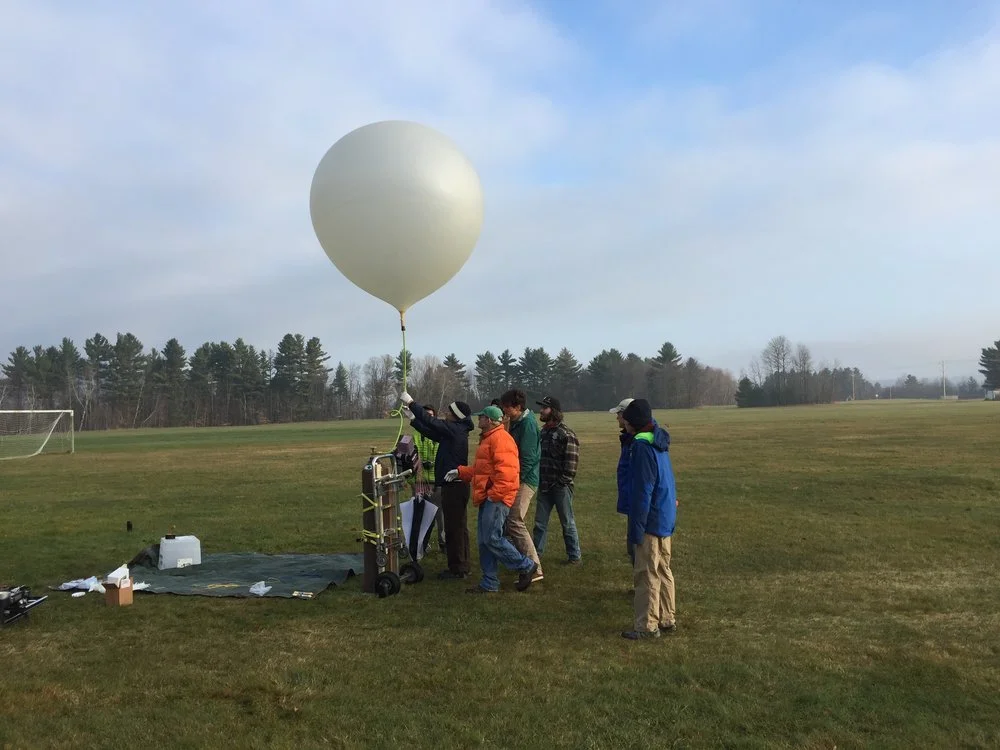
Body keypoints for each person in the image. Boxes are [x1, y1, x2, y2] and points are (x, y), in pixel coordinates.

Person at [444, 405, 538, 593]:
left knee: (492, 538)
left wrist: (494, 495)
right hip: (489, 497)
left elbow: (508, 474)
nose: (478, 420)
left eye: (482, 418)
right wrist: (461, 472)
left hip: (496, 498)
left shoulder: (500, 440)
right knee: (484, 541)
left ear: (490, 421)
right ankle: (489, 582)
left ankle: (526, 565)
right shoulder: (489, 439)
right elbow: (483, 469)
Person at [619, 398, 677, 640]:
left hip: (650, 520)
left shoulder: (642, 448)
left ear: (633, 423)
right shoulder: (658, 442)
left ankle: (647, 626)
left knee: (646, 572)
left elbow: (644, 490)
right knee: (663, 568)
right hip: (664, 516)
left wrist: (637, 527)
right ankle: (667, 617)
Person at [401, 392, 474, 579]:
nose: (446, 414)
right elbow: (432, 433)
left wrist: (411, 403)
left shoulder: (455, 429)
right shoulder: (456, 430)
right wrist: (413, 420)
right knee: (459, 527)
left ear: (456, 415)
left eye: (449, 412)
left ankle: (457, 569)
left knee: (453, 529)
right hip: (456, 486)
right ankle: (462, 565)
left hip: (454, 486)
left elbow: (433, 422)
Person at [498, 388, 543, 583]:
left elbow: (528, 458)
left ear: (518, 407)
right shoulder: (516, 422)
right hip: (517, 478)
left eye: (508, 408)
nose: (505, 411)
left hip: (525, 480)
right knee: (511, 521)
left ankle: (534, 567)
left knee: (515, 520)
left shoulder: (528, 425)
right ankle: (521, 562)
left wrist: (515, 482)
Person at [531, 396, 581, 565]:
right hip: (544, 485)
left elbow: (571, 464)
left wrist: (561, 483)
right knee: (539, 524)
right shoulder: (543, 432)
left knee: (567, 523)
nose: (541, 411)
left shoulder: (566, 434)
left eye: (544, 408)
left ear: (553, 410)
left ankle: (574, 557)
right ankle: (535, 556)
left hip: (561, 488)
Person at [413, 405, 445, 554]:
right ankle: (420, 545)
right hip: (419, 481)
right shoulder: (415, 435)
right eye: (425, 415)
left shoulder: (439, 434)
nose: (428, 418)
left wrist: (430, 462)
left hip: (436, 480)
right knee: (420, 515)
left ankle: (443, 542)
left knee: (440, 515)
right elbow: (412, 452)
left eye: (431, 415)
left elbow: (440, 454)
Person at [610, 398, 636, 565]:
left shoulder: (637, 443)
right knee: (632, 547)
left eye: (619, 414)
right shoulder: (628, 439)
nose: (617, 418)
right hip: (632, 500)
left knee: (637, 547)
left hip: (637, 502)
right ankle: (640, 587)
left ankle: (644, 590)